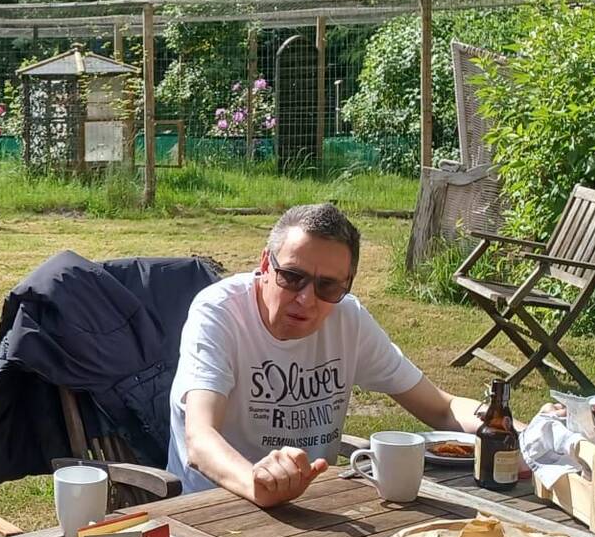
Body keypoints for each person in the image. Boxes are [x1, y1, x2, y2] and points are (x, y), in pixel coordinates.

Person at [169, 202, 487, 506]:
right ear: (266, 264)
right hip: (215, 506)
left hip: (317, 505)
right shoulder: (220, 312)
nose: (307, 299)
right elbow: (200, 438)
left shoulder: (348, 318)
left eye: (328, 287)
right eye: (292, 277)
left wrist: (517, 431)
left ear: (347, 284)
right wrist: (258, 483)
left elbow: (442, 409)